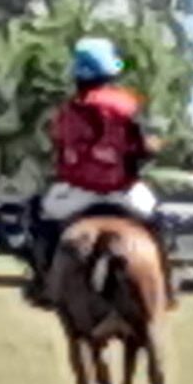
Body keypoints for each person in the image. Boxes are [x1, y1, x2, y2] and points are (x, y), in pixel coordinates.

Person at [27, 36, 174, 309]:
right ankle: (166, 282)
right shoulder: (129, 105)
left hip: (74, 194)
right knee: (161, 219)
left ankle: (43, 280)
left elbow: (58, 149)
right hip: (124, 193)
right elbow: (142, 146)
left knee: (36, 215)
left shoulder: (66, 111)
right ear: (111, 71)